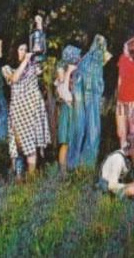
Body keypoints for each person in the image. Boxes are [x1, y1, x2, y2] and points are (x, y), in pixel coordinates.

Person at [2, 43, 51, 181]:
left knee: (31, 146)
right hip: (18, 112)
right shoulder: (7, 68)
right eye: (21, 49)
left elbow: (42, 62)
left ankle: (31, 180)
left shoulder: (33, 67)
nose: (23, 52)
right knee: (17, 145)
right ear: (15, 51)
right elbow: (14, 79)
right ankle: (17, 178)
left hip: (32, 110)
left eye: (25, 49)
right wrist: (25, 61)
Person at [68, 34, 112, 169]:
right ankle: (85, 165)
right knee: (90, 128)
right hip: (89, 97)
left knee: (80, 127)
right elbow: (98, 86)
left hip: (83, 97)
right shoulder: (94, 61)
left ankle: (75, 164)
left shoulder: (85, 61)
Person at [54, 45, 81, 173]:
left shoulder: (78, 72)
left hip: (76, 109)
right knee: (65, 141)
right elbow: (64, 92)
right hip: (67, 109)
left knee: (75, 140)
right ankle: (63, 171)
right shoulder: (63, 74)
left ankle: (73, 168)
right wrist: (68, 72)